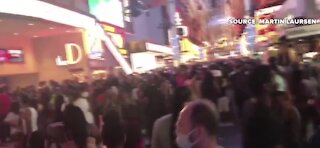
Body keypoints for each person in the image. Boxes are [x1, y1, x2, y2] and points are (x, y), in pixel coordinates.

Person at [243, 65, 284, 148]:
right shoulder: (267, 119)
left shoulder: (250, 108)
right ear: (266, 86)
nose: (277, 81)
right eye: (273, 78)